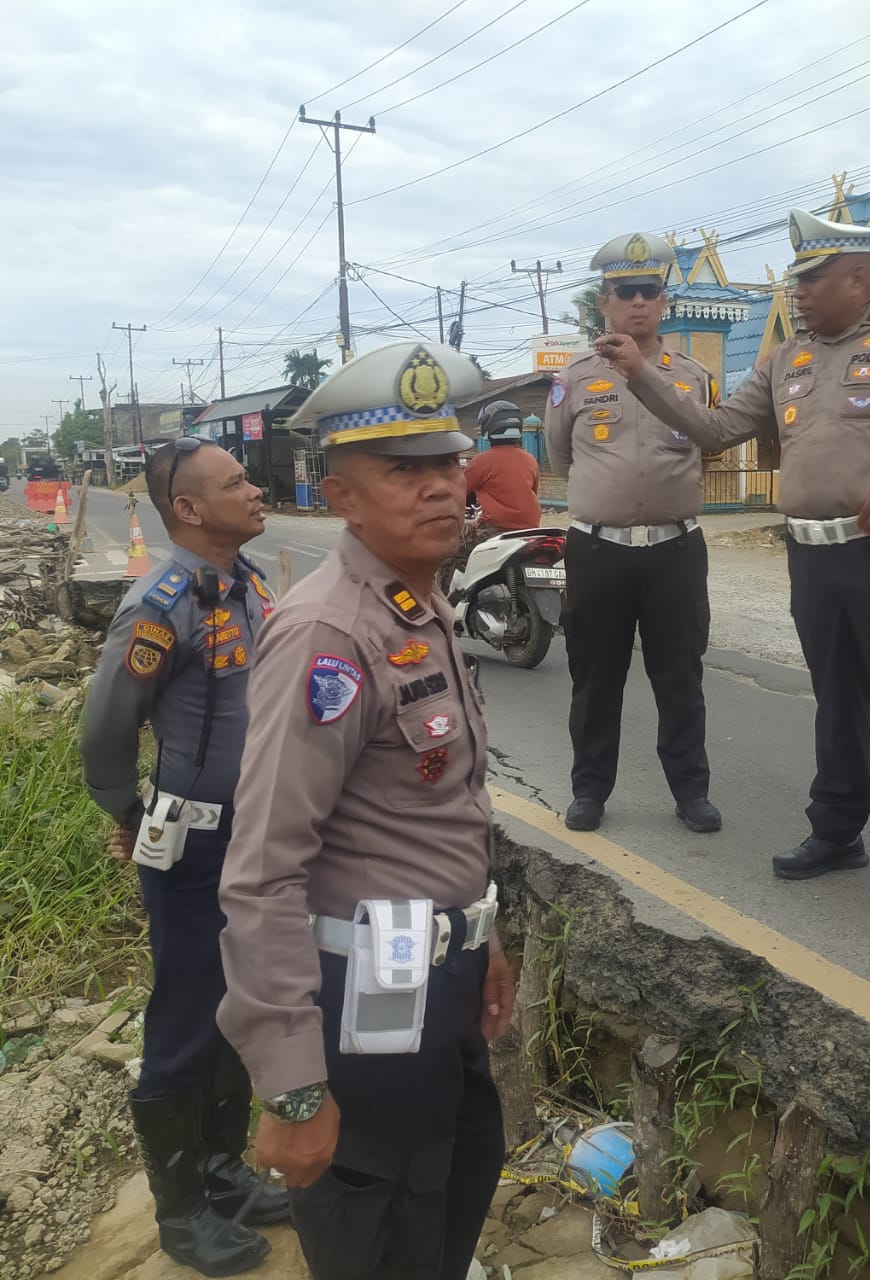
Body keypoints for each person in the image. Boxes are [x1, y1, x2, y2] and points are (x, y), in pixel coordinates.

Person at [216, 340, 515, 1280]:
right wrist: (295, 1088)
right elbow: (263, 867)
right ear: (339, 493)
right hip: (368, 1008)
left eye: (448, 463)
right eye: (404, 470)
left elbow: (435, 814)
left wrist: (485, 934)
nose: (440, 489)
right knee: (384, 1231)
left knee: (451, 1194)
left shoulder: (415, 602)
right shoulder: (328, 633)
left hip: (440, 985)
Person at [596, 209, 870, 922]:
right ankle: (837, 832)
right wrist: (642, 375)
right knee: (836, 701)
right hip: (814, 555)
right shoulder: (786, 358)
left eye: (811, 278)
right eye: (796, 277)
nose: (796, 291)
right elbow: (717, 430)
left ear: (859, 277)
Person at [80, 439, 286, 1276]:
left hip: (255, 840)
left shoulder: (248, 584)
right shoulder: (161, 603)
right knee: (184, 1019)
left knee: (237, 1008)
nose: (256, 488)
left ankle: (224, 1171)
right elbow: (105, 727)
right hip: (192, 845)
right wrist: (128, 810)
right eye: (236, 481)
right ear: (190, 510)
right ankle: (181, 1212)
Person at [544, 231, 722, 836]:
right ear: (605, 302)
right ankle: (589, 791)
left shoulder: (693, 377)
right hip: (598, 550)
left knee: (681, 675)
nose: (638, 302)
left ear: (664, 301)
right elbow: (561, 455)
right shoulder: (574, 377)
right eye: (626, 292)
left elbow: (708, 445)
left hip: (676, 549)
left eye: (650, 291)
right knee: (594, 676)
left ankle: (691, 792)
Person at [441, 399, 542, 590]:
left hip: (495, 531)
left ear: (489, 427)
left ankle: (438, 605)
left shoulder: (483, 461)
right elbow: (532, 493)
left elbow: (457, 491)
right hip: (531, 531)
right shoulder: (530, 460)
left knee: (446, 546)